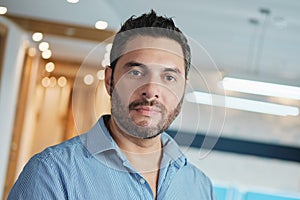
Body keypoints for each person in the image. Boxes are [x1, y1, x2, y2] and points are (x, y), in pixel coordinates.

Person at [8, 10, 216, 199]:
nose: (151, 90)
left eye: (169, 77)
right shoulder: (52, 173)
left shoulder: (200, 187)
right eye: (136, 72)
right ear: (110, 80)